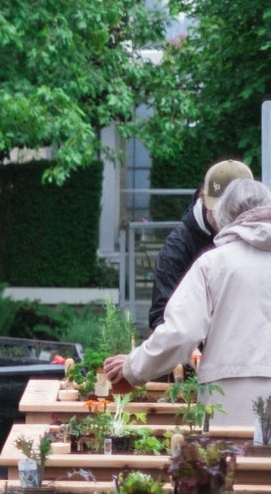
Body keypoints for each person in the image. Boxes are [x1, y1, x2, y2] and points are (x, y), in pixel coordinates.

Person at [108, 176, 271, 427]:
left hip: (229, 400)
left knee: (232, 464)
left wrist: (133, 367)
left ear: (224, 213)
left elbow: (180, 333)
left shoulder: (214, 264)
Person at [147, 159, 253, 331]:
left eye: (237, 210)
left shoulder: (261, 239)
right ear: (204, 198)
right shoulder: (178, 247)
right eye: (220, 209)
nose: (228, 218)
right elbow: (162, 315)